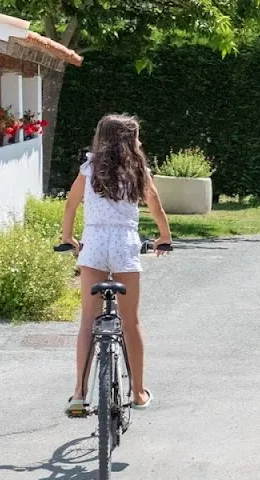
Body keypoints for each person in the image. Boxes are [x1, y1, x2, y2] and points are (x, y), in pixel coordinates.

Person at [61, 114, 172, 416]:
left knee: (87, 320)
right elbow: (156, 207)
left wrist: (68, 236)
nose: (140, 142)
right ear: (128, 140)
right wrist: (164, 237)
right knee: (130, 321)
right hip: (124, 245)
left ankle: (79, 393)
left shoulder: (89, 168)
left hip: (94, 244)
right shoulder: (139, 170)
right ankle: (137, 392)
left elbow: (70, 204)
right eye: (137, 137)